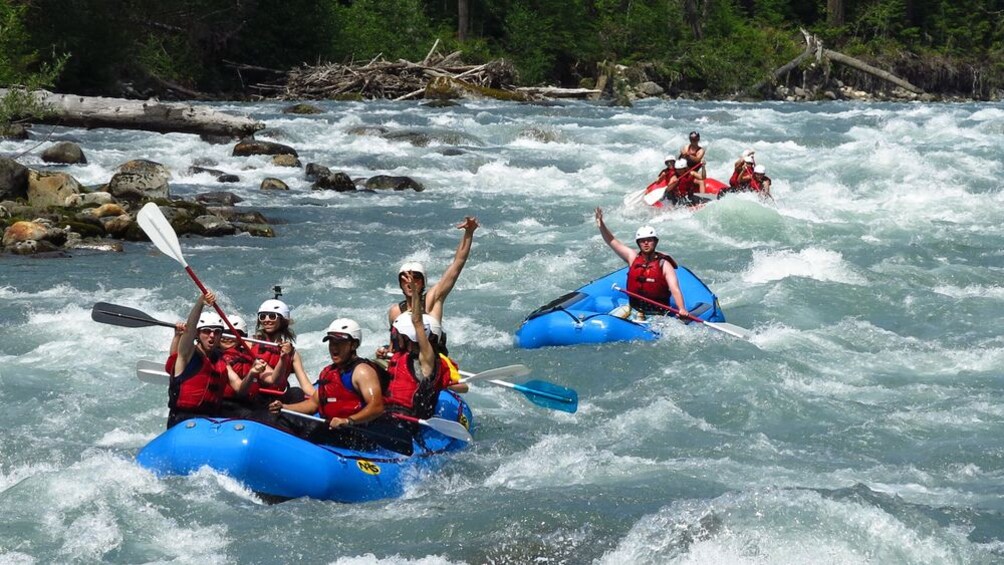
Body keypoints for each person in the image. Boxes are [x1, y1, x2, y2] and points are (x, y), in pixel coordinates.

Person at [270, 318, 409, 453]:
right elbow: (312, 404)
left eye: (340, 343)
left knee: (311, 430)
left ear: (353, 345)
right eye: (331, 343)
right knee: (283, 419)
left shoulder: (362, 371)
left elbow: (377, 407)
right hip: (333, 428)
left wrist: (348, 420)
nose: (334, 348)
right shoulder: (329, 372)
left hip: (356, 432)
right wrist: (285, 407)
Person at [376, 216, 479, 359]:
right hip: (406, 366)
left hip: (432, 362)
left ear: (423, 282)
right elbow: (395, 345)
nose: (410, 282)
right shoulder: (395, 312)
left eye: (416, 278)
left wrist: (469, 233)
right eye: (405, 279)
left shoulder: (433, 299)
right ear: (400, 284)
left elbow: (457, 264)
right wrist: (384, 352)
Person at [165, 292, 253, 429]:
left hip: (211, 422)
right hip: (183, 421)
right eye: (206, 331)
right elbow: (189, 330)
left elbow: (240, 388)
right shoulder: (187, 354)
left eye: (217, 332)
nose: (212, 336)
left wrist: (252, 373)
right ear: (198, 334)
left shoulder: (221, 361)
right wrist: (200, 303)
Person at [594, 208, 690, 321]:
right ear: (638, 243)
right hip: (634, 310)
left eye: (649, 240)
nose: (645, 243)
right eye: (642, 240)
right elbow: (613, 242)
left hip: (657, 314)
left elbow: (675, 289)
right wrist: (602, 226)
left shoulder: (664, 264)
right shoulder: (632, 257)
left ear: (655, 241)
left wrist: (681, 308)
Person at [384, 273, 454, 424]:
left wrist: (415, 293)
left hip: (409, 419)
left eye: (399, 334)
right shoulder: (402, 357)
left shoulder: (426, 357)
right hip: (389, 413)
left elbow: (417, 321)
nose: (397, 338)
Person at [252, 298, 312, 401]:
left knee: (297, 393)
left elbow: (305, 385)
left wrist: (319, 397)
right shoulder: (250, 344)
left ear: (282, 320)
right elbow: (272, 380)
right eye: (262, 316)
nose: (266, 320)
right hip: (256, 397)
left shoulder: (293, 354)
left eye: (272, 316)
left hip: (277, 398)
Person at [218, 314, 269, 420]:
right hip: (225, 404)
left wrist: (283, 358)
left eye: (232, 334)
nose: (228, 337)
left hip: (248, 402)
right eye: (224, 334)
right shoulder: (214, 356)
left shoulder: (249, 355)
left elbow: (273, 379)